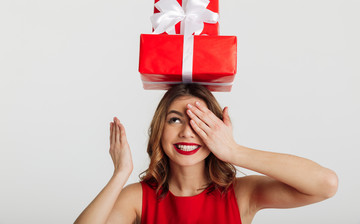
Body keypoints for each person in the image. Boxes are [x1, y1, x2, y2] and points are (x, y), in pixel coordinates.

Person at [75, 83, 338, 224]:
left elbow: (325, 184)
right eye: (175, 120)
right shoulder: (137, 198)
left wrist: (234, 151)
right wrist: (120, 174)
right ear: (159, 130)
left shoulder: (241, 194)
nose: (187, 133)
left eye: (199, 122)